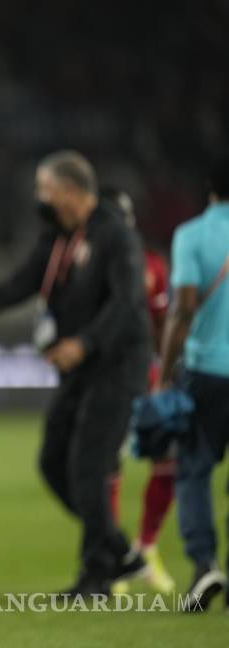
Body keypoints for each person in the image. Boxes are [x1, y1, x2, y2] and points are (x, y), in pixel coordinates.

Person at [0, 150, 150, 596]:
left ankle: (97, 576)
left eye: (45, 190)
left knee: (88, 468)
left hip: (116, 367)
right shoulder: (57, 238)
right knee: (54, 462)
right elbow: (17, 286)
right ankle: (117, 549)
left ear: (71, 192)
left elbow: (126, 303)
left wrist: (84, 343)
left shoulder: (116, 236)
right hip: (79, 371)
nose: (40, 198)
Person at [157, 155, 229, 612]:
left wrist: (165, 375)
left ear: (209, 188)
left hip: (206, 372)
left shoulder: (193, 235)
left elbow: (182, 308)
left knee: (194, 470)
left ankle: (205, 566)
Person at [100, 187, 176, 594]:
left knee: (168, 459)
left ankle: (146, 547)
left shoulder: (152, 265)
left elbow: (164, 324)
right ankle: (115, 559)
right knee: (108, 466)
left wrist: (165, 372)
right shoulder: (89, 264)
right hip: (106, 380)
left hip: (146, 378)